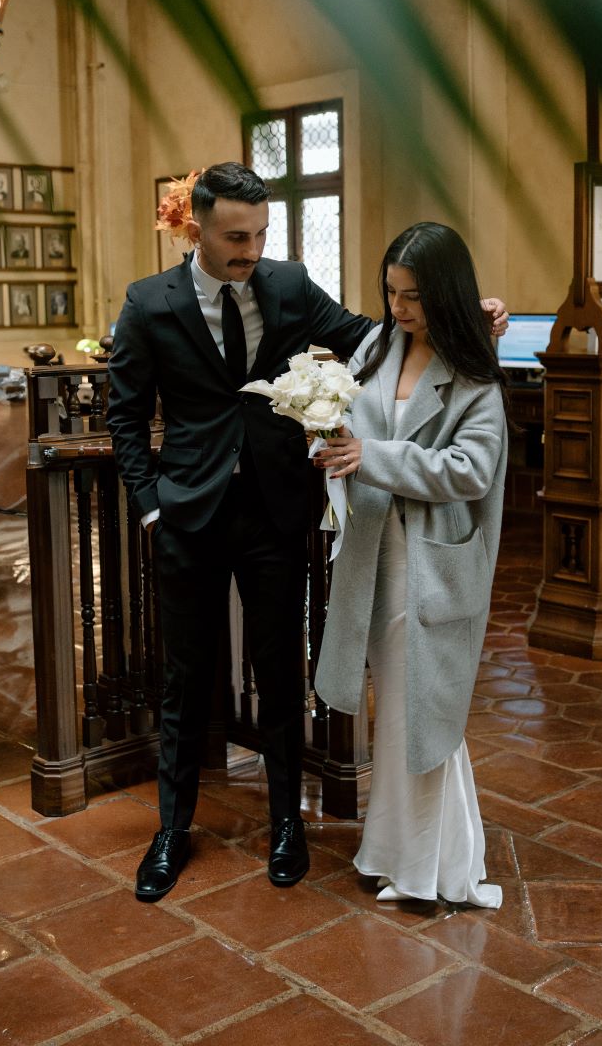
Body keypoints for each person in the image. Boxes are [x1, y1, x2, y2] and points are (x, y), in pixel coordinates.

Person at [106, 163, 508, 904]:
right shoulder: (148, 304)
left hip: (275, 514)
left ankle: (287, 822)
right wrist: (152, 504)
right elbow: (125, 416)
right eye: (235, 236)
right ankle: (171, 830)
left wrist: (464, 315)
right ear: (196, 226)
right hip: (187, 518)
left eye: (261, 233)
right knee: (185, 679)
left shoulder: (288, 285)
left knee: (280, 672)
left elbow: (374, 338)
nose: (251, 249)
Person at [314, 222, 507, 908]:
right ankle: (396, 853)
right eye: (392, 292)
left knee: (427, 706)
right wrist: (331, 445)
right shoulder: (376, 347)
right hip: (375, 557)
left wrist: (374, 458)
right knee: (396, 707)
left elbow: (473, 469)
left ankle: (440, 869)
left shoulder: (475, 372)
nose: (399, 308)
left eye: (415, 297)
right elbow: (354, 426)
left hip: (432, 562)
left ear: (447, 295)